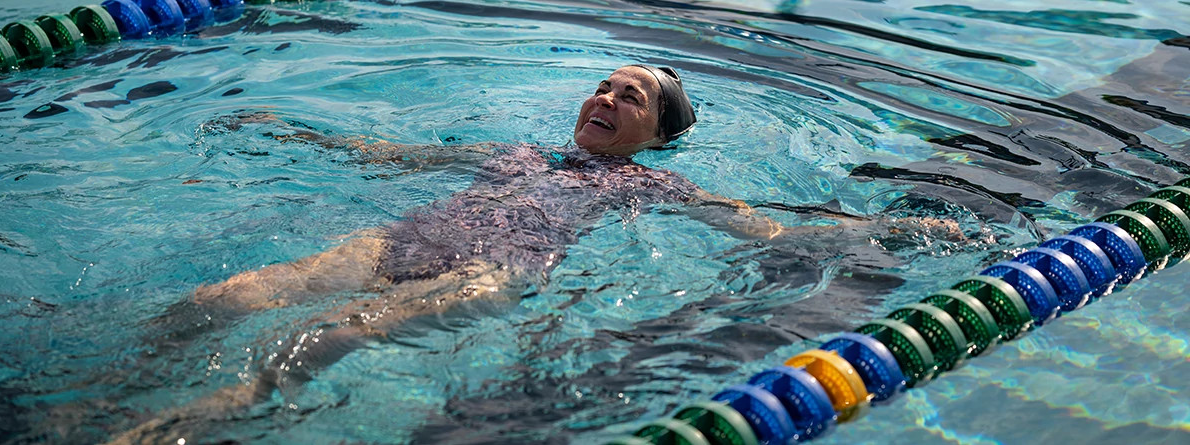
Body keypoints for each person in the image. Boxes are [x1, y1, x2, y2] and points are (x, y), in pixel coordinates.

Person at [114, 64, 961, 442]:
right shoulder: (521, 152)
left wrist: (885, 231)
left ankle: (173, 428)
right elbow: (396, 158)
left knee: (325, 336)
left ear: (654, 136)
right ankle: (107, 392)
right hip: (400, 238)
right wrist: (295, 133)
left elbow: (767, 228)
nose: (606, 97)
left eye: (631, 98)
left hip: (490, 271)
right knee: (222, 298)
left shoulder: (642, 185)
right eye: (604, 84)